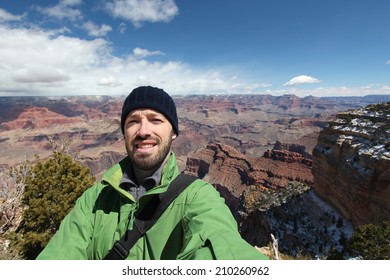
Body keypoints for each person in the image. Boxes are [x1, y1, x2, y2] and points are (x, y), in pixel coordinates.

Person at [36, 86, 268, 260]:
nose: (143, 131)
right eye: (133, 122)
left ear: (174, 132)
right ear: (124, 132)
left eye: (156, 120)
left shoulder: (198, 198)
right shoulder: (94, 199)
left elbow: (221, 246)